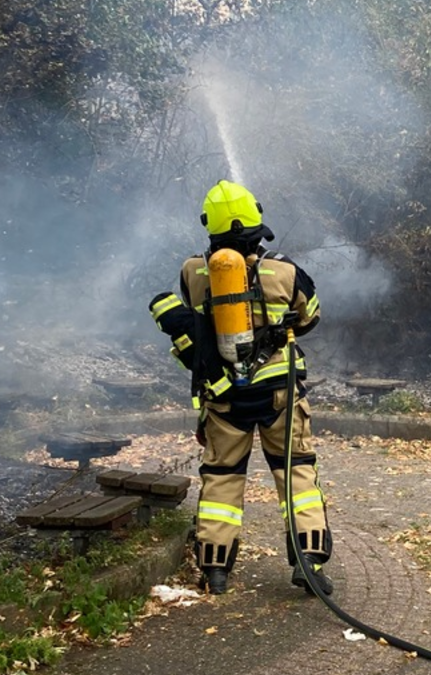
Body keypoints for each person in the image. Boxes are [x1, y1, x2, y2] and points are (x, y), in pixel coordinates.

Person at [148, 179, 333, 596]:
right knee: (296, 474)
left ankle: (215, 570)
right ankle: (309, 562)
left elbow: (195, 315)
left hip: (224, 396)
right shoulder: (284, 271)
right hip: (279, 395)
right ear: (255, 224)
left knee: (221, 478)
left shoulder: (193, 272)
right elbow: (310, 317)